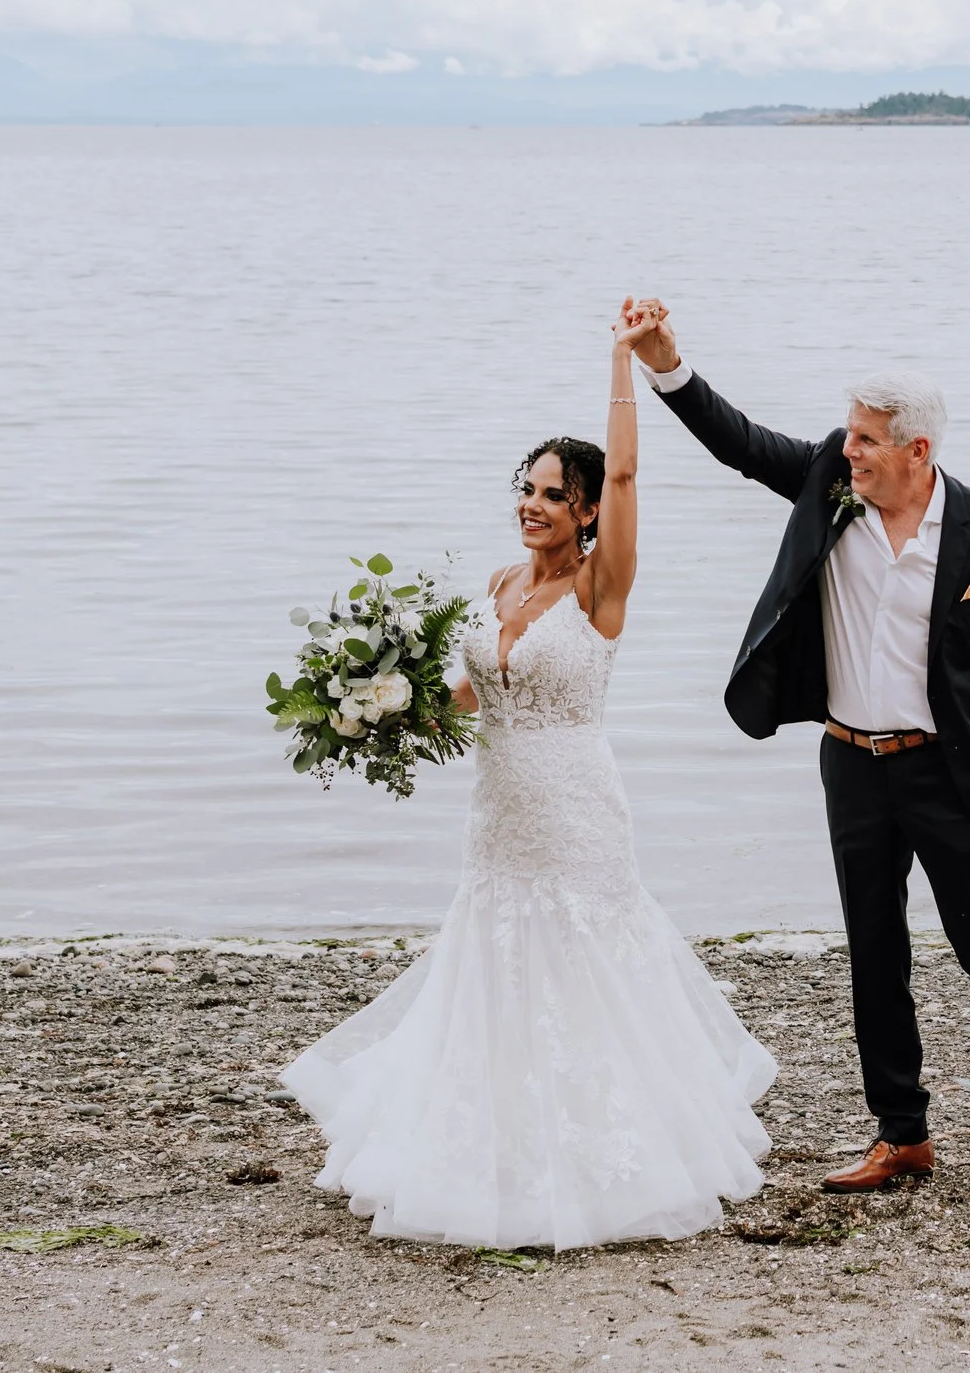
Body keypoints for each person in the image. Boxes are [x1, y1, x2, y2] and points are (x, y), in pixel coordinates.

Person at [281, 300, 775, 1250]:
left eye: (554, 493)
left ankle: (609, 1158)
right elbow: (473, 692)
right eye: (527, 488)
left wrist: (623, 361)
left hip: (576, 805)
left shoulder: (599, 585)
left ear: (587, 509)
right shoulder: (504, 585)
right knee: (493, 959)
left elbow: (628, 466)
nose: (533, 504)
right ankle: (489, 1152)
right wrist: (384, 710)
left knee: (583, 963)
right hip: (498, 811)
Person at [629, 300, 970, 1197]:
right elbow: (740, 442)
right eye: (849, 433)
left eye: (869, 439)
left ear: (918, 450)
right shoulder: (826, 485)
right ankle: (900, 1134)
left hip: (944, 765)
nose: (850, 449)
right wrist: (666, 362)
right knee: (873, 947)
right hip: (851, 761)